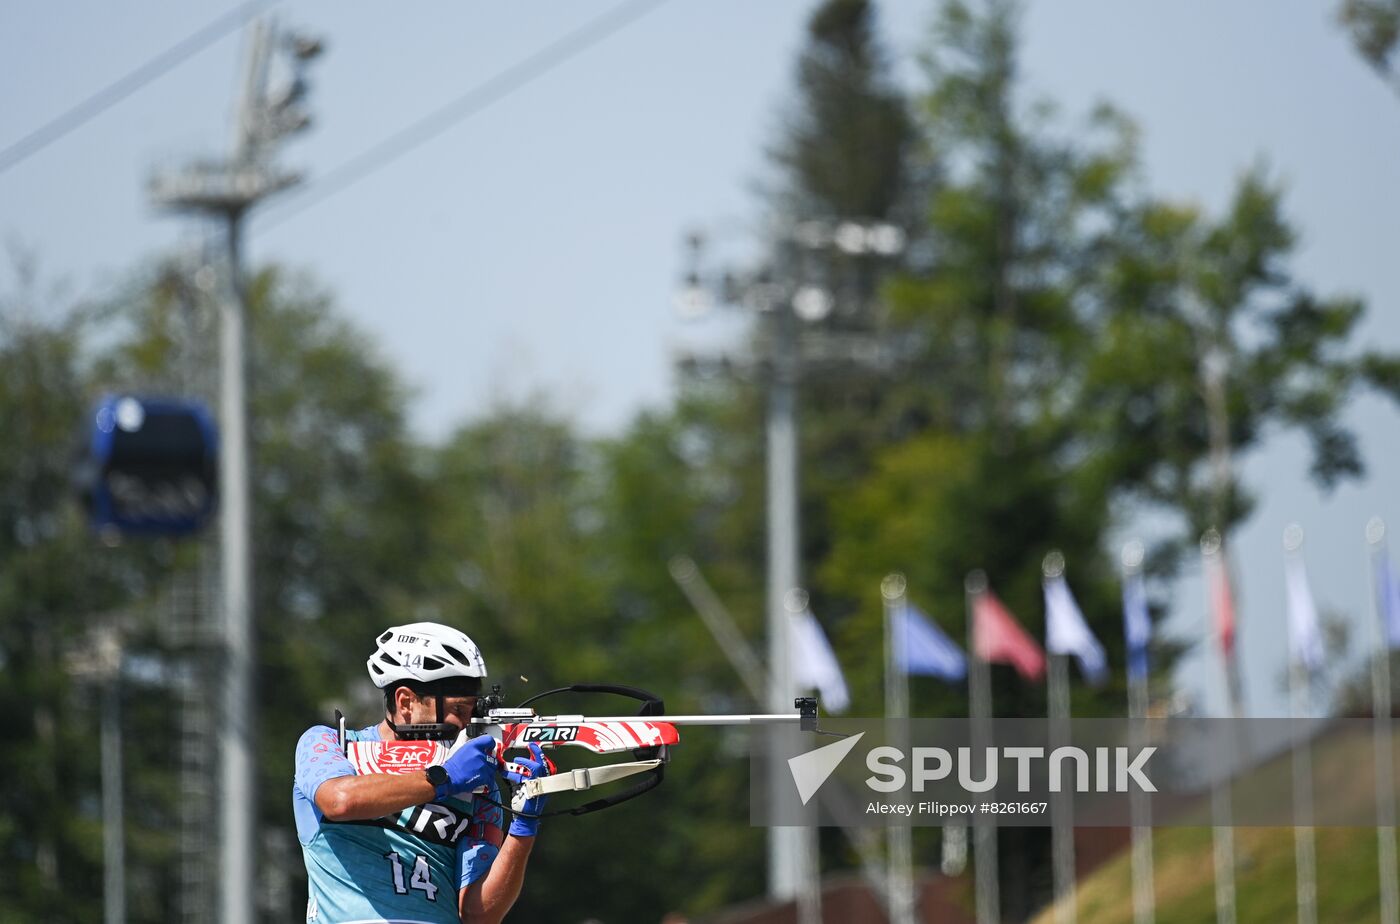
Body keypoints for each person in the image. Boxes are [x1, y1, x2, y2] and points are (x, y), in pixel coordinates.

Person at [292, 622, 551, 923]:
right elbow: (339, 801)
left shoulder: (475, 782)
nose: (468, 724)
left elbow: (479, 914)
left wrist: (524, 825)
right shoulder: (333, 743)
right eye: (459, 710)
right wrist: (442, 778)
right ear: (406, 703)